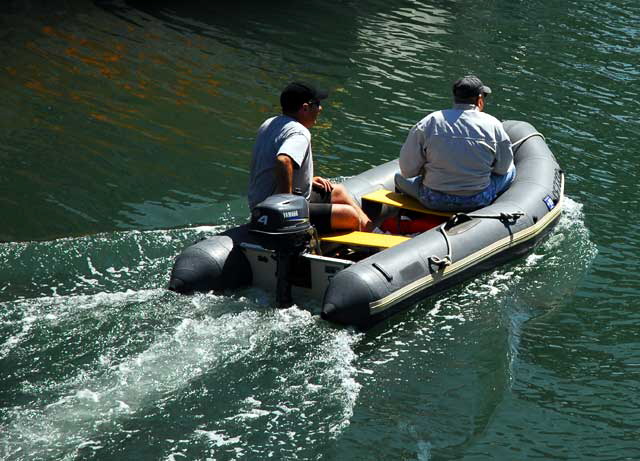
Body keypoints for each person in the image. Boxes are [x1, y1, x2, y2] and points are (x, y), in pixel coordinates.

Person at [248, 81, 371, 232]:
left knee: (338, 191)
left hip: (259, 203)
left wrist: (305, 180)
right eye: (317, 104)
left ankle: (372, 230)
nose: (320, 108)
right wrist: (286, 206)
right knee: (350, 216)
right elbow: (283, 160)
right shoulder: (299, 132)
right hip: (275, 213)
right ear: (305, 108)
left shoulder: (270, 123)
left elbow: (269, 164)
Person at [395, 75, 516, 211]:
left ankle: (405, 214)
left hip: (432, 199)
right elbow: (502, 169)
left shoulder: (429, 122)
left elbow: (407, 171)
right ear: (480, 100)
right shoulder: (494, 125)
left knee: (398, 177)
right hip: (477, 200)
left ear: (455, 97)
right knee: (511, 171)